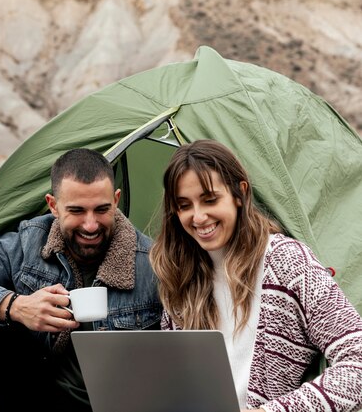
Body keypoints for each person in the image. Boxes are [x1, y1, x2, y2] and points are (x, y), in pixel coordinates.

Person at [0, 148, 161, 412]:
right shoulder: (27, 245)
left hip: (114, 403)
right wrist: (15, 306)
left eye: (101, 210)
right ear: (53, 205)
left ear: (116, 200)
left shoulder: (151, 264)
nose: (90, 225)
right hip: (38, 397)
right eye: (76, 210)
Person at [149, 139, 362, 412]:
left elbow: (357, 359)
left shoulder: (287, 262)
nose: (199, 217)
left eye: (210, 199)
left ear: (240, 194)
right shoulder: (178, 277)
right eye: (184, 205)